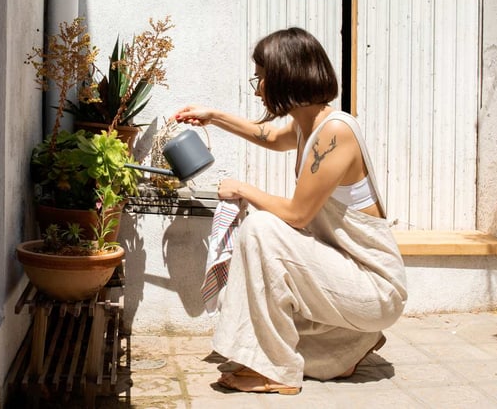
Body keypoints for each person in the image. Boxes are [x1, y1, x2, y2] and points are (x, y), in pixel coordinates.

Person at [174, 27, 407, 395]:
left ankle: (278, 371)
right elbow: (264, 136)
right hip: (348, 274)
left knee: (262, 230)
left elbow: (298, 214)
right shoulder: (307, 126)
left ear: (286, 76)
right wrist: (212, 115)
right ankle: (345, 348)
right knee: (266, 238)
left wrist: (243, 189)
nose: (258, 88)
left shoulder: (335, 132)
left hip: (375, 286)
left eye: (263, 77)